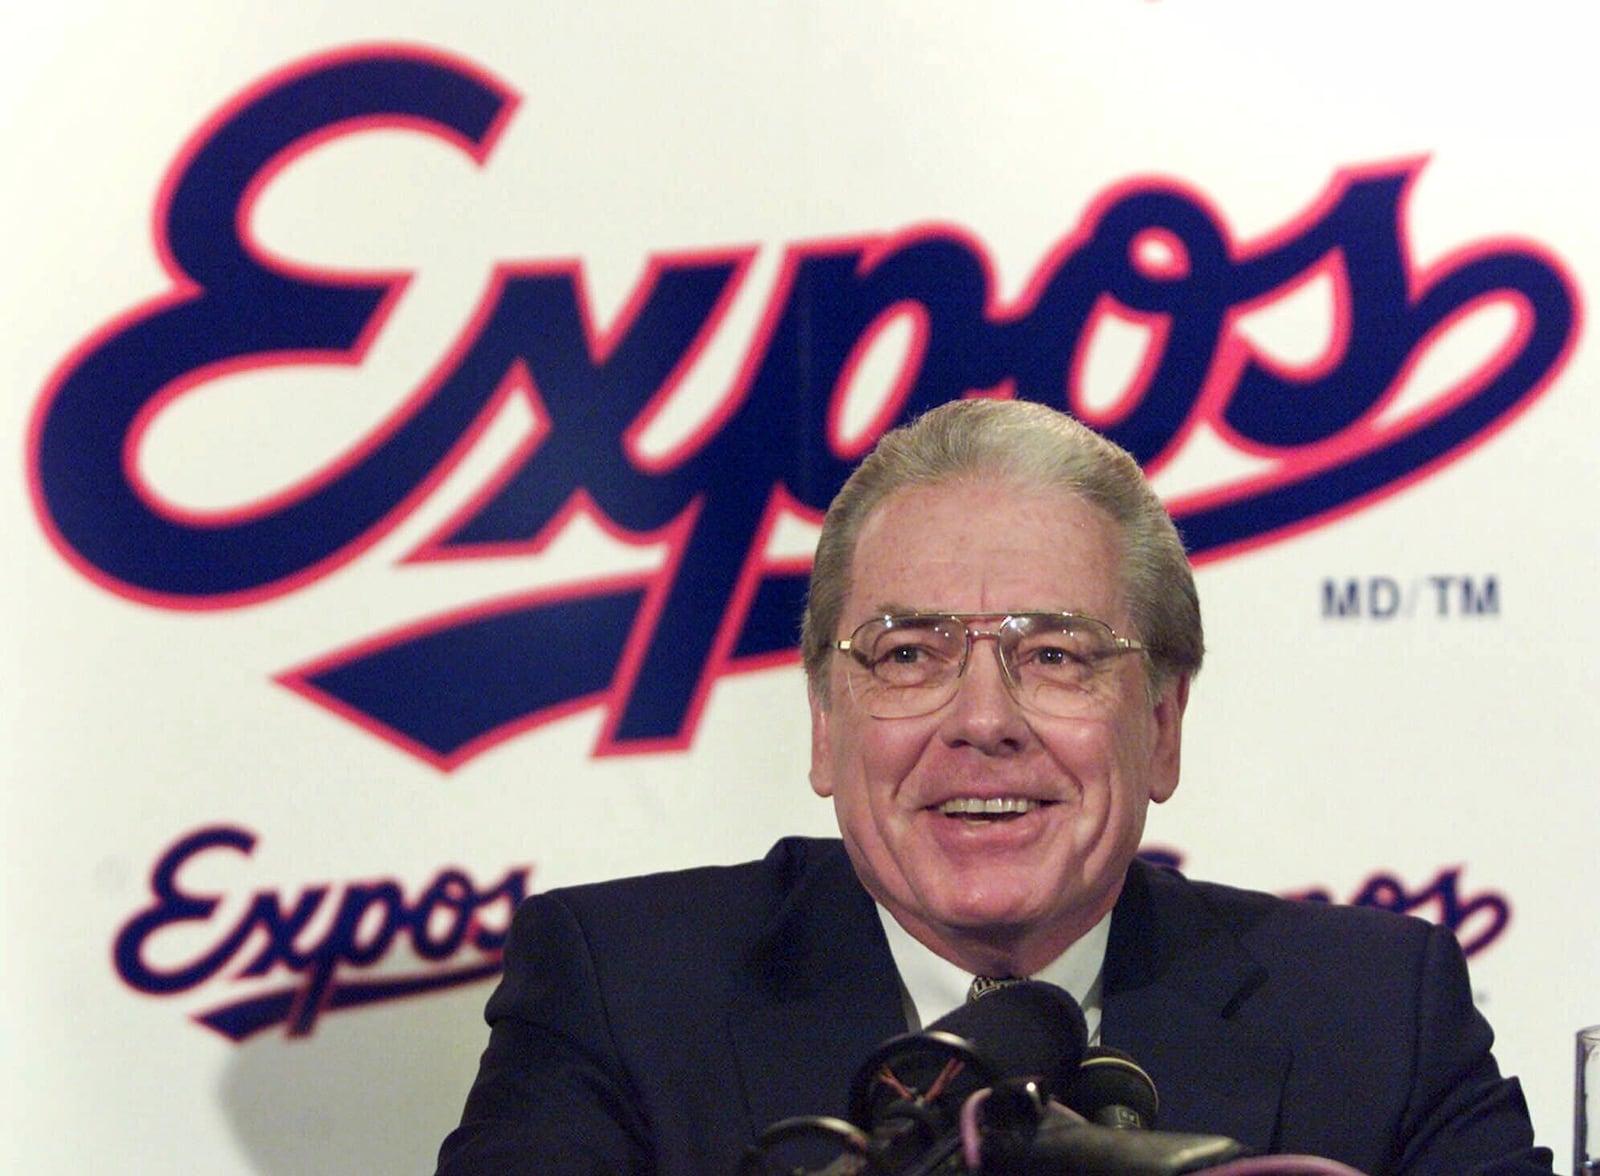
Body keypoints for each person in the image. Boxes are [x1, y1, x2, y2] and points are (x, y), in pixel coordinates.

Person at [436, 398, 1550, 1175]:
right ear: (826, 723)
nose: (981, 723)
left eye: (1056, 654)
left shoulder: (1375, 1015)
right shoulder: (619, 993)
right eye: (908, 653)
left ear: (1161, 724)